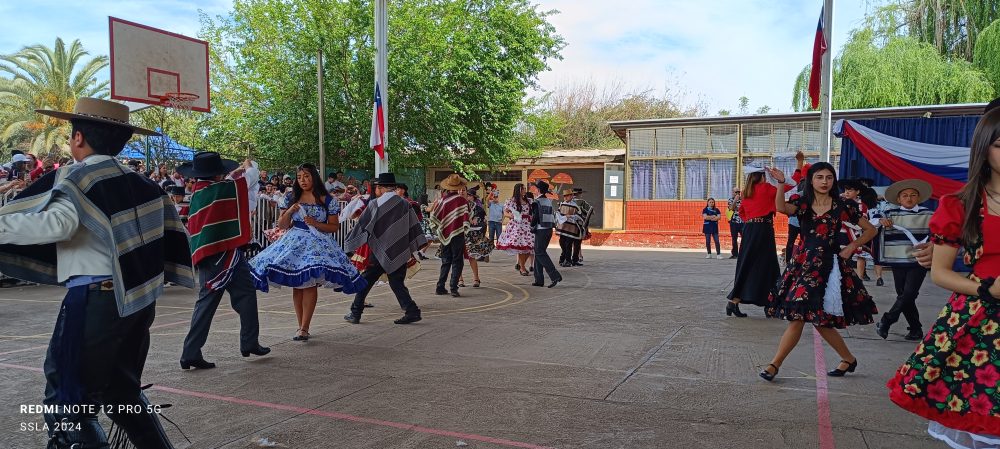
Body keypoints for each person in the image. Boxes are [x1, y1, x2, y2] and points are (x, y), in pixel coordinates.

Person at [0, 98, 194, 448]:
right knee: (122, 392)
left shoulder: (78, 175)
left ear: (77, 138)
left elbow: (58, 224)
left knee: (68, 398)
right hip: (135, 301)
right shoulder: (143, 184)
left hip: (94, 300)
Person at [887, 108, 1000, 448]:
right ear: (984, 148)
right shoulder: (959, 204)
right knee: (983, 418)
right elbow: (940, 272)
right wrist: (987, 287)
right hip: (982, 324)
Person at [759, 162, 878, 382]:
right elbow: (781, 208)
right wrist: (781, 183)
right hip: (804, 265)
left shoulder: (843, 206)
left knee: (818, 319)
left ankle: (845, 359)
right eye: (819, 177)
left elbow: (871, 229)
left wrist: (852, 247)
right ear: (811, 181)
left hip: (830, 267)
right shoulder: (802, 203)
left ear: (834, 180)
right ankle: (775, 364)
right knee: (801, 317)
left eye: (829, 177)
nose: (824, 182)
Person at [249, 164, 367, 341]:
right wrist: (290, 211)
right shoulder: (290, 197)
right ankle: (301, 326)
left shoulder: (327, 199)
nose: (303, 180)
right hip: (294, 243)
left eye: (306, 176)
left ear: (314, 177)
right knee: (299, 284)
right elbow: (282, 225)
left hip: (318, 244)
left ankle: (304, 327)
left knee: (310, 283)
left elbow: (334, 226)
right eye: (299, 177)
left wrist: (315, 223)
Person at [179, 152, 270, 370]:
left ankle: (249, 341)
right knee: (208, 301)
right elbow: (249, 178)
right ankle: (190, 352)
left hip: (222, 252)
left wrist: (235, 174)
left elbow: (235, 184)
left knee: (246, 292)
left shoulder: (203, 190)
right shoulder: (218, 190)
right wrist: (249, 166)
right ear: (218, 174)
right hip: (219, 254)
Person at [342, 173, 427, 325]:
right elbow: (414, 226)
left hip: (378, 251)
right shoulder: (404, 203)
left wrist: (349, 245)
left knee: (366, 281)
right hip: (399, 250)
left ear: (380, 188)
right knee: (397, 283)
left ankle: (355, 313)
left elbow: (362, 226)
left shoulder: (375, 204)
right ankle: (412, 311)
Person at [726, 162, 792, 317]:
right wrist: (797, 169)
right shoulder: (767, 189)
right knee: (768, 265)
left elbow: (741, 212)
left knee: (747, 264)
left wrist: (751, 220)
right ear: (763, 176)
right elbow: (790, 187)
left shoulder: (745, 192)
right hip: (763, 229)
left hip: (749, 229)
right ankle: (769, 304)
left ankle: (734, 302)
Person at [873, 179, 934, 341]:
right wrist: (880, 221)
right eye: (905, 195)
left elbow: (939, 233)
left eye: (913, 195)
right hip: (898, 258)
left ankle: (887, 320)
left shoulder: (929, 215)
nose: (909, 198)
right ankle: (915, 329)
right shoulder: (890, 215)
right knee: (905, 295)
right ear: (898, 199)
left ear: (919, 198)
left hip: (918, 260)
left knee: (909, 293)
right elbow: (871, 223)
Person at [429, 174, 470, 297]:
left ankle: (440, 287)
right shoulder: (462, 201)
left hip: (445, 234)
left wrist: (439, 230)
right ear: (459, 187)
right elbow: (466, 218)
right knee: (457, 261)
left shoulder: (442, 200)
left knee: (446, 260)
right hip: (458, 234)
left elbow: (434, 218)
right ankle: (453, 288)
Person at [529, 180, 562, 288]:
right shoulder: (548, 201)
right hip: (548, 229)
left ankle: (555, 275)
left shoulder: (536, 202)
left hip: (541, 229)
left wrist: (530, 225)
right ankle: (539, 279)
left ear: (538, 190)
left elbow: (535, 217)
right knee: (539, 252)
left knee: (540, 253)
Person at [497, 183, 534, 275]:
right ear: (518, 190)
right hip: (517, 226)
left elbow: (533, 212)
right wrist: (512, 215)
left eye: (525, 188)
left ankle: (522, 266)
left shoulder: (529, 200)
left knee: (531, 246)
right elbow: (505, 213)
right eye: (523, 189)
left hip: (528, 225)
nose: (525, 190)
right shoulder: (511, 201)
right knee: (521, 247)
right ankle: (522, 268)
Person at [461, 186, 494, 287]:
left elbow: (480, 218)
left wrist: (475, 220)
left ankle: (476, 278)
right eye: (459, 190)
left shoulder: (475, 206)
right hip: (458, 234)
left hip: (471, 235)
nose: (461, 192)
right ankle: (460, 279)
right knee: (457, 257)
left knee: (471, 256)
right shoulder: (455, 204)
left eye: (463, 190)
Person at [556, 189, 585, 267]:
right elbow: (558, 214)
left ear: (571, 196)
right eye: (565, 196)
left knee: (568, 244)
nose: (565, 197)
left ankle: (568, 260)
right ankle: (563, 259)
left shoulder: (575, 206)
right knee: (562, 243)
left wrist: (571, 216)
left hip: (571, 229)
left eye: (567, 196)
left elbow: (579, 216)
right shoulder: (562, 205)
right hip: (563, 228)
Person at [571, 188, 593, 265]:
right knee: (578, 241)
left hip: (569, 224)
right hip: (579, 224)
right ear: (579, 194)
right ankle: (579, 255)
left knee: (571, 241)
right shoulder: (582, 202)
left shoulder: (567, 201)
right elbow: (590, 211)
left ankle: (569, 257)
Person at [727, 187, 743, 259]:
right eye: (736, 192)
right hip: (734, 221)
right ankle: (735, 254)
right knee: (734, 238)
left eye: (738, 192)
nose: (737, 193)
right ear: (733, 192)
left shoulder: (743, 199)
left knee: (745, 238)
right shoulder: (731, 200)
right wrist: (735, 201)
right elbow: (732, 208)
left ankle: (743, 253)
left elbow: (744, 209)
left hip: (743, 221)